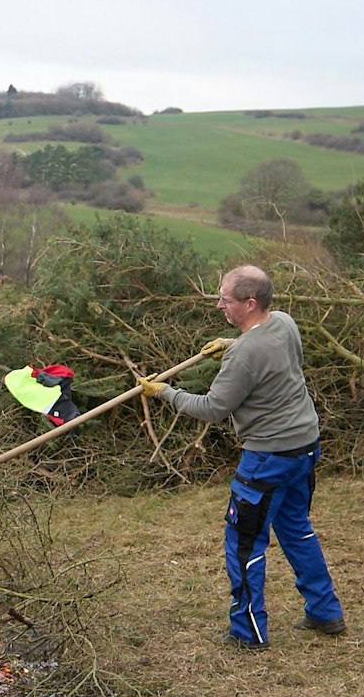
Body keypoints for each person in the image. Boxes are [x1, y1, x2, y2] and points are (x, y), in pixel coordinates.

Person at [139, 265, 346, 646]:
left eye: (225, 300)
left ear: (250, 303)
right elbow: (265, 355)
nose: (219, 305)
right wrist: (230, 343)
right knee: (296, 529)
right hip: (304, 446)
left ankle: (247, 632)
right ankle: (325, 612)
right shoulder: (284, 322)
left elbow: (213, 408)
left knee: (244, 542)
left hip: (268, 459)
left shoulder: (246, 355)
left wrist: (164, 393)